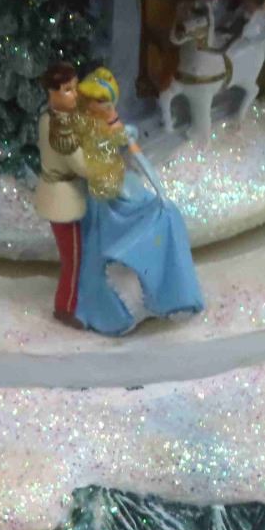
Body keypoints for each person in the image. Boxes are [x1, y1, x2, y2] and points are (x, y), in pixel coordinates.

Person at [71, 68, 204, 336]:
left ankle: (167, 292)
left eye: (111, 103)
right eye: (103, 103)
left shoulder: (111, 124)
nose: (110, 109)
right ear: (90, 103)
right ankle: (111, 307)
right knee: (97, 253)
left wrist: (158, 188)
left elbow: (136, 153)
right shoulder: (81, 130)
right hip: (103, 198)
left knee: (165, 216)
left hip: (123, 187)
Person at [35, 63, 93, 328]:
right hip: (63, 199)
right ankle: (65, 307)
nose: (75, 94)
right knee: (74, 259)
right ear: (52, 92)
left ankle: (77, 300)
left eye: (76, 88)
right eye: (68, 90)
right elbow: (82, 166)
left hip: (64, 192)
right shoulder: (59, 127)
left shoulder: (50, 117)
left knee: (77, 255)